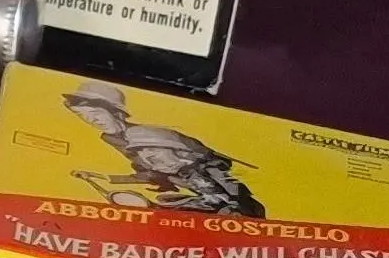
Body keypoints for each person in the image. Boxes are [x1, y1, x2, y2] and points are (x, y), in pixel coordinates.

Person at [63, 80, 265, 216]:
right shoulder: (115, 139)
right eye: (83, 116)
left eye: (95, 113)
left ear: (115, 111)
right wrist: (103, 177)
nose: (91, 121)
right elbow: (151, 173)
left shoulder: (153, 137)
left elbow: (227, 186)